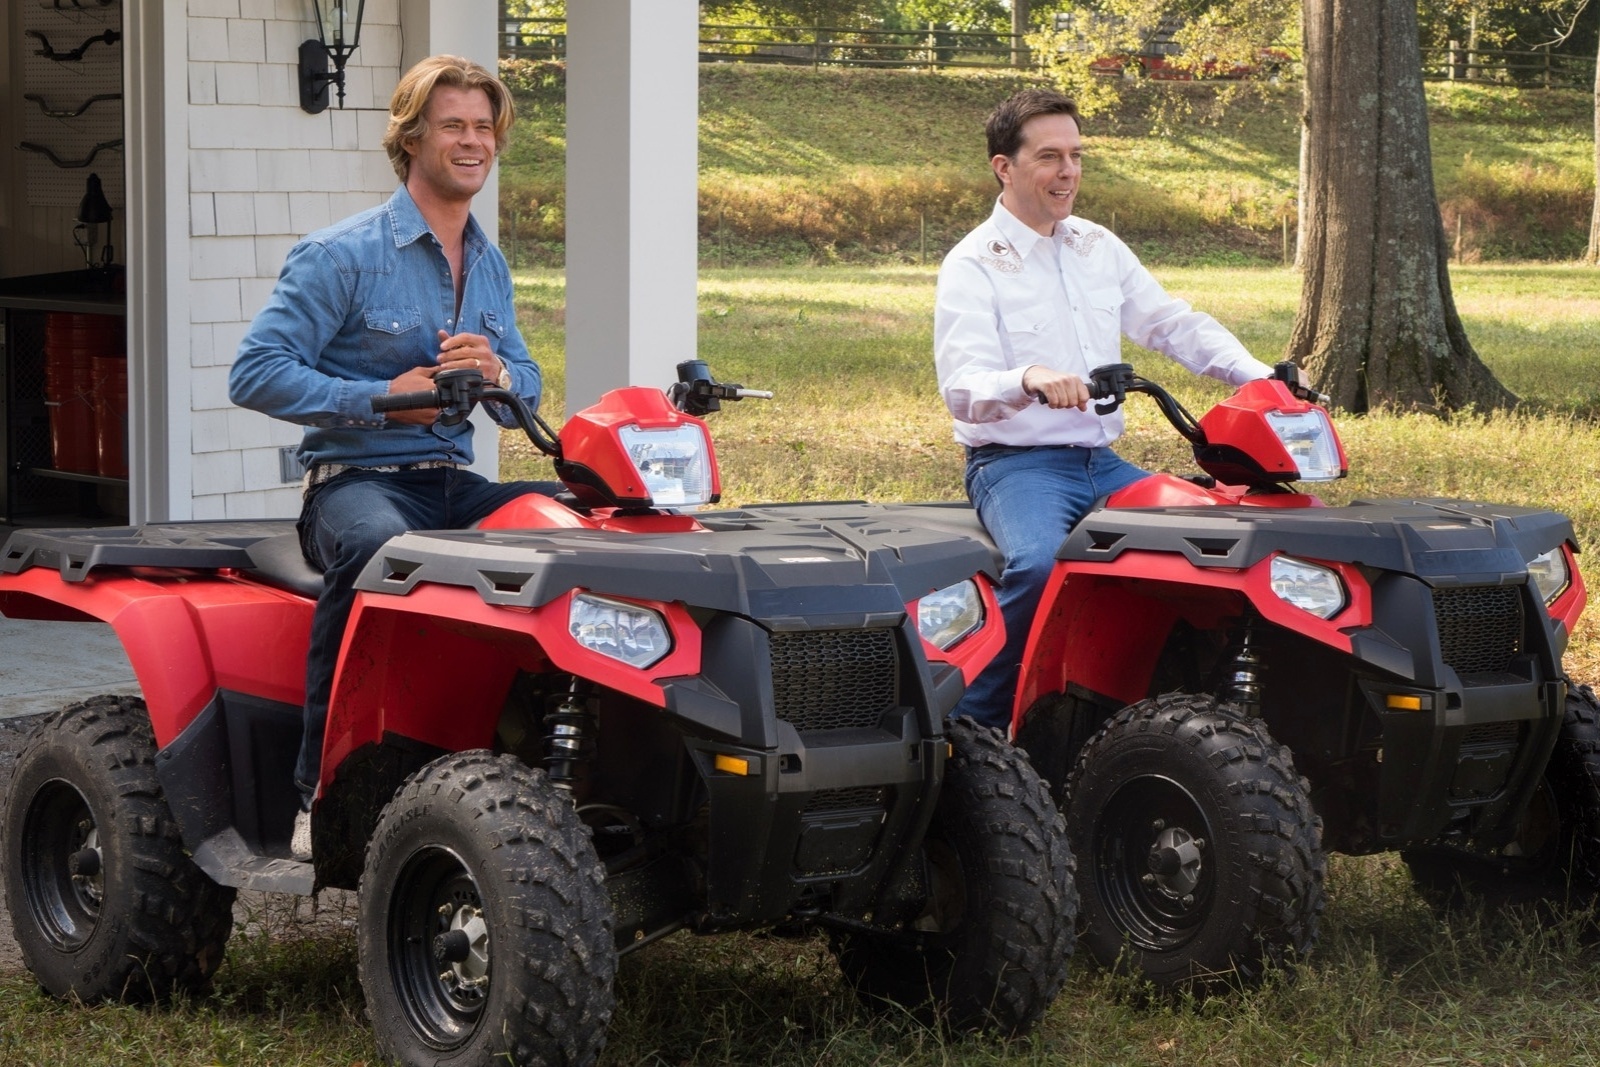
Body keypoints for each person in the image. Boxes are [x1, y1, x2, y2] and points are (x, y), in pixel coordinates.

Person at [230, 55, 554, 861]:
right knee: (383, 551)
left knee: (574, 530)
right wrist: (383, 395)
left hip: (453, 482)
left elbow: (532, 382)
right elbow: (255, 371)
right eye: (454, 125)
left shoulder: (489, 262)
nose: (473, 141)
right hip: (356, 484)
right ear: (413, 138)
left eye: (484, 127)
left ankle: (548, 769)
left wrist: (499, 373)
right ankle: (319, 794)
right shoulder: (341, 254)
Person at [934, 88, 1276, 733]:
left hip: (1105, 464)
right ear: (1004, 167)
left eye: (1076, 156)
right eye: (1049, 157)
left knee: (1222, 540)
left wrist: (1259, 376)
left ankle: (1174, 717)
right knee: (1036, 565)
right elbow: (963, 386)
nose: (1068, 172)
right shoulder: (973, 264)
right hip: (1016, 467)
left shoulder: (1098, 246)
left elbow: (1171, 323)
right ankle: (973, 736)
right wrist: (1028, 379)